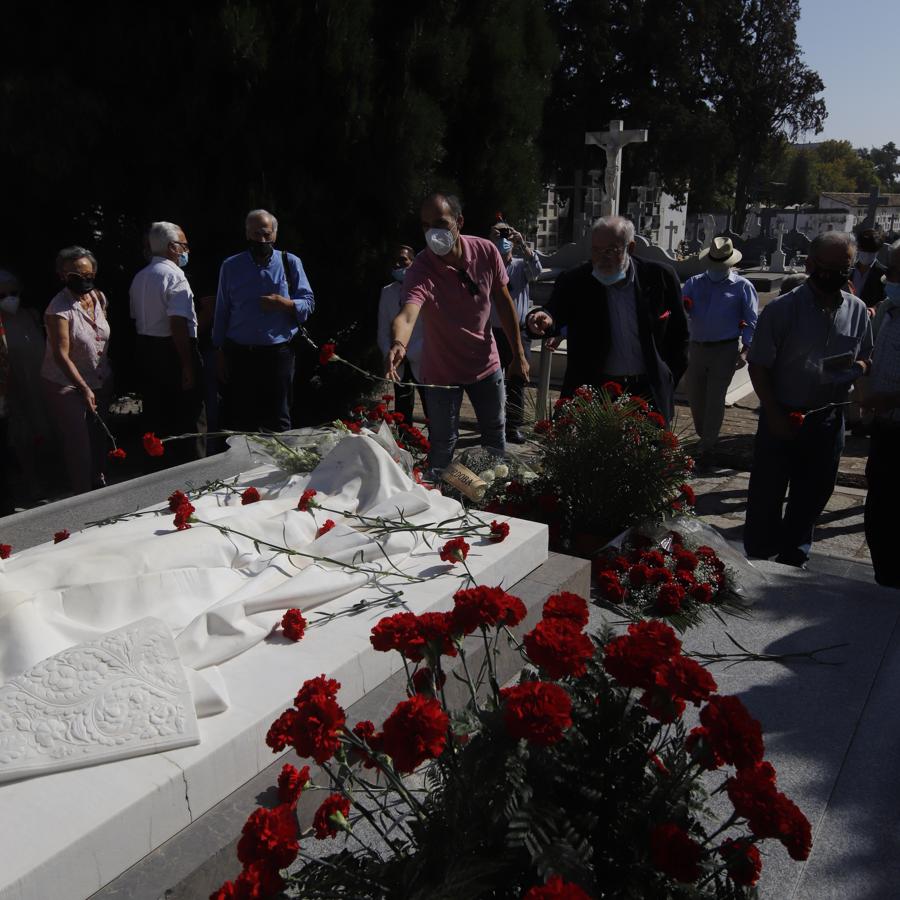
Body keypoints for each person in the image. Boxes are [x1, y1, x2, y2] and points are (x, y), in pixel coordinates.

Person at [743, 231, 873, 567]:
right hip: (782, 414)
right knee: (766, 497)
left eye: (843, 268)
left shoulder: (857, 311)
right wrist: (772, 412)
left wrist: (858, 367)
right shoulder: (783, 310)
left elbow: (866, 355)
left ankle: (793, 559)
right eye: (827, 267)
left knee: (812, 497)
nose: (835, 275)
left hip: (828, 419)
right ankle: (757, 559)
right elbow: (758, 363)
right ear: (811, 264)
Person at [385, 193, 530, 475]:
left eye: (440, 223)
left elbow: (503, 301)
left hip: (485, 366)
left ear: (459, 222)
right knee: (442, 446)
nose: (433, 232)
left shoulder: (486, 252)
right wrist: (399, 343)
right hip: (441, 373)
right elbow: (408, 313)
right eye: (426, 226)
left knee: (494, 438)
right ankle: (440, 502)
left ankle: (493, 500)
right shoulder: (421, 269)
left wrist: (518, 355)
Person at [525, 216, 689, 422]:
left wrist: (666, 378)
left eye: (611, 250)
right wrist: (541, 318)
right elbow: (553, 312)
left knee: (647, 453)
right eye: (596, 250)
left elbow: (680, 335)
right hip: (594, 391)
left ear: (630, 247)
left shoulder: (660, 277)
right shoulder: (576, 280)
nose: (602, 257)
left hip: (648, 393)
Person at [213, 209, 315, 432]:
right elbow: (222, 310)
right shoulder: (231, 266)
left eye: (266, 234)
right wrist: (219, 350)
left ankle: (278, 466)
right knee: (241, 420)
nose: (262, 239)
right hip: (241, 355)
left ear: (275, 235)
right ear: (247, 234)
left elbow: (308, 303)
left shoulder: (290, 263)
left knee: (278, 419)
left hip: (278, 354)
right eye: (256, 233)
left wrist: (284, 304)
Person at [129, 222, 205, 464]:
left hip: (147, 351)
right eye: (183, 245)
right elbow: (178, 324)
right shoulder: (174, 275)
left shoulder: (140, 277)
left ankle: (159, 470)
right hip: (173, 352)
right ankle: (194, 471)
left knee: (157, 419)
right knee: (189, 419)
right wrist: (187, 365)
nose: (186, 250)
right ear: (173, 247)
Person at [40, 247, 113, 495]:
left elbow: (98, 336)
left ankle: (100, 486)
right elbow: (61, 354)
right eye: (76, 275)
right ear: (62, 275)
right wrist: (83, 387)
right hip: (66, 383)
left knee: (100, 439)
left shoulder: (100, 298)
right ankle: (82, 497)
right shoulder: (58, 309)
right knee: (79, 445)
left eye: (88, 274)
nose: (84, 280)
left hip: (99, 378)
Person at [682, 237, 758, 463]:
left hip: (724, 348)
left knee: (715, 398)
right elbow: (683, 311)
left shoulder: (743, 287)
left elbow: (751, 320)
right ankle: (704, 435)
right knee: (695, 397)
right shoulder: (694, 283)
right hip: (697, 347)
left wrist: (746, 350)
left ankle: (707, 446)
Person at [860, 240, 900, 586]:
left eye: (897, 270)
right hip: (885, 434)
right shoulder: (889, 310)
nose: (888, 276)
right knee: (878, 520)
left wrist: (893, 399)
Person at [0, 269, 54, 502]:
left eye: (13, 292)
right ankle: (32, 484)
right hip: (15, 389)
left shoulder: (31, 315)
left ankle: (52, 477)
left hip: (40, 386)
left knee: (46, 431)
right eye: (2, 295)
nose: (9, 298)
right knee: (22, 438)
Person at [488, 219, 542, 443]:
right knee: (492, 380)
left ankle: (514, 426)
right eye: (498, 235)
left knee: (517, 379)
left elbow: (536, 272)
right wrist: (490, 242)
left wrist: (522, 244)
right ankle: (493, 424)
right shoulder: (487, 265)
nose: (503, 240)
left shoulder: (520, 265)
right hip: (491, 331)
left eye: (505, 235)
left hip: (518, 332)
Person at [376, 244, 426, 425]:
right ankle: (406, 444)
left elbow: (429, 329)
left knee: (431, 407)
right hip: (398, 362)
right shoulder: (387, 292)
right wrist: (391, 353)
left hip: (423, 359)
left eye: (403, 260)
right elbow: (383, 329)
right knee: (403, 410)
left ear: (413, 262)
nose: (398, 264)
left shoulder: (424, 288)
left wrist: (408, 352)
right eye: (395, 261)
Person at [847, 229, 888, 436]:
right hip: (848, 330)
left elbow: (886, 301)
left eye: (871, 251)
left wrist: (875, 308)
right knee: (851, 375)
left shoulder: (884, 274)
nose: (866, 255)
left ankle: (868, 419)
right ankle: (853, 418)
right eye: (863, 250)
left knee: (867, 376)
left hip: (872, 330)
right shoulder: (848, 271)